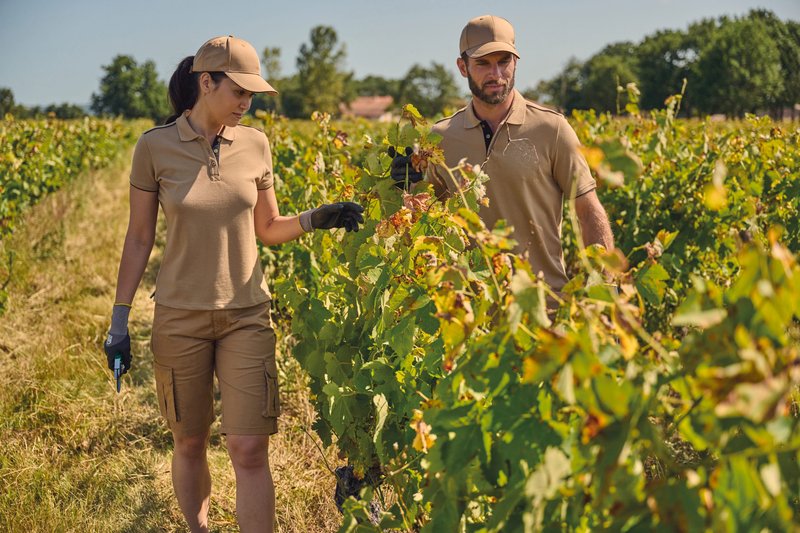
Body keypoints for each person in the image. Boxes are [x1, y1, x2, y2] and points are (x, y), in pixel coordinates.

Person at [102, 35, 363, 532]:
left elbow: (269, 227)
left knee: (249, 447)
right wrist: (119, 320)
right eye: (239, 91)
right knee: (190, 441)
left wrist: (316, 218)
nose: (247, 102)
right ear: (207, 82)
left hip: (247, 314)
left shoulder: (256, 144)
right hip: (180, 317)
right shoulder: (154, 147)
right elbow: (138, 239)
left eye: (252, 94)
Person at [391, 15, 614, 297]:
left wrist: (607, 291)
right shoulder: (441, 137)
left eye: (504, 61)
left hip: (543, 306)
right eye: (483, 63)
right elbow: (422, 221)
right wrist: (404, 188)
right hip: (467, 311)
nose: (496, 74)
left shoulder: (552, 128)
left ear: (516, 62)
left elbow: (589, 212)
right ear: (462, 67)